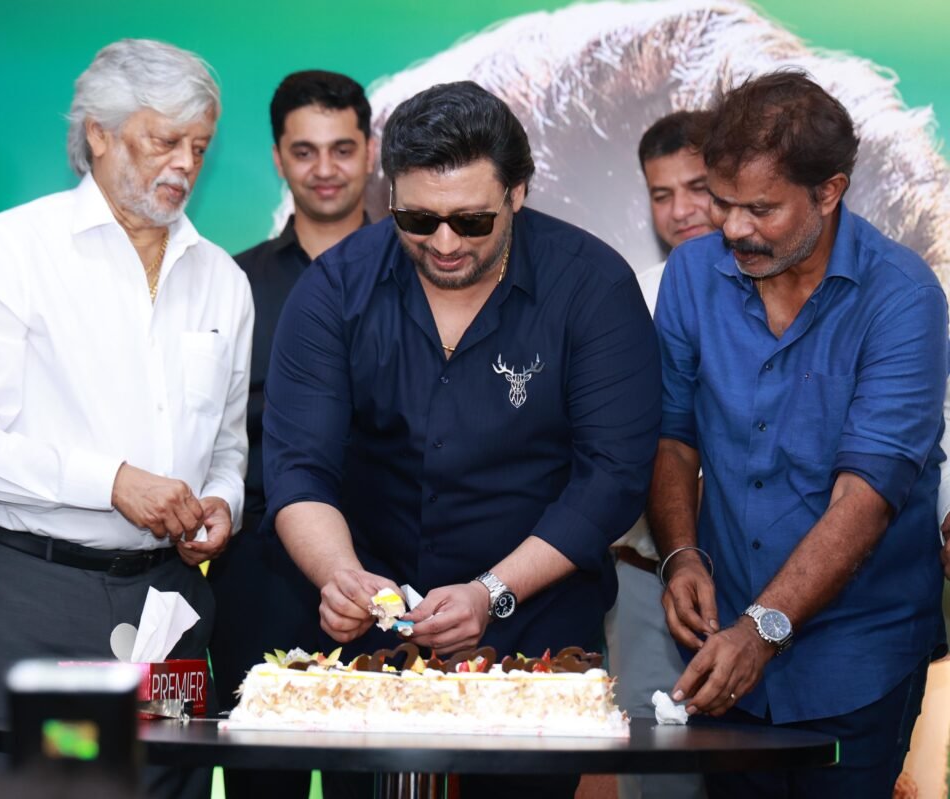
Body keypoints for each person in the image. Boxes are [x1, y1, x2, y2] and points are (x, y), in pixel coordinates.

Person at [263, 80, 660, 799]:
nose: (444, 243)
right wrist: (339, 574)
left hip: (539, 627)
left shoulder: (592, 285)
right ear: (390, 193)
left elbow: (613, 476)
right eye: (419, 218)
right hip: (375, 634)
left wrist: (491, 592)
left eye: (472, 220)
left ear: (517, 192)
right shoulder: (335, 289)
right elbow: (299, 466)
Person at [0, 39, 253, 799]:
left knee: (165, 787)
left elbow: (229, 446)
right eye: (163, 140)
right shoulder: (10, 249)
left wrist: (223, 502)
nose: (184, 164)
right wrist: (111, 482)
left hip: (170, 607)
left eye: (199, 146)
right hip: (41, 596)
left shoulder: (223, 279)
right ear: (99, 134)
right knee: (50, 791)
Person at [649, 71, 947, 799]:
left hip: (857, 659)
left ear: (829, 191)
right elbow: (671, 436)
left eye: (761, 208)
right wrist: (681, 553)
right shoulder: (690, 275)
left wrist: (762, 630)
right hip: (724, 659)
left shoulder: (904, 298)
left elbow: (865, 497)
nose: (732, 228)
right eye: (722, 201)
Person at [206, 69, 374, 799]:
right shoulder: (233, 284)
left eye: (342, 148)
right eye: (305, 151)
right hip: (260, 570)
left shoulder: (423, 272)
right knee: (260, 782)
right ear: (278, 157)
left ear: (371, 151)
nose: (325, 168)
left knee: (374, 781)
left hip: (386, 569)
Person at [605, 110, 710, 799]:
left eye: (697, 187)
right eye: (660, 193)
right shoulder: (629, 297)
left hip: (774, 579)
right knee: (658, 775)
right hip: (647, 579)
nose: (680, 210)